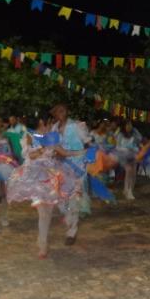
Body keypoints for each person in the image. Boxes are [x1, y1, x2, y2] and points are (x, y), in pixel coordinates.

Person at [7, 116, 84, 258]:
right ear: (42, 123)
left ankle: (71, 225)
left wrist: (81, 152)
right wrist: (44, 147)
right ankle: (42, 245)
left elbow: (63, 152)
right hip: (36, 179)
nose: (50, 126)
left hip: (54, 176)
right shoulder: (30, 136)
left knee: (66, 204)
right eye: (48, 123)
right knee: (44, 214)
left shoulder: (49, 136)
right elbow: (30, 155)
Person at [51, 104, 92, 246]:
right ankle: (69, 220)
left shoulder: (76, 126)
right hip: (61, 168)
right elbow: (53, 147)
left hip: (77, 167)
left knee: (74, 200)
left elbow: (88, 142)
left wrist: (84, 157)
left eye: (63, 110)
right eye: (58, 111)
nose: (61, 113)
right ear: (54, 114)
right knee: (62, 200)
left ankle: (71, 231)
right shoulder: (54, 128)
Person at [115, 120, 143, 200]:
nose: (129, 127)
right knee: (128, 170)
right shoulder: (120, 134)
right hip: (123, 155)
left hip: (133, 154)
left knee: (133, 173)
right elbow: (117, 146)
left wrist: (134, 148)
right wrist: (126, 149)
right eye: (127, 125)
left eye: (130, 125)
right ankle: (127, 190)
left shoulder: (135, 134)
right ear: (124, 126)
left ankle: (130, 190)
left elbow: (139, 142)